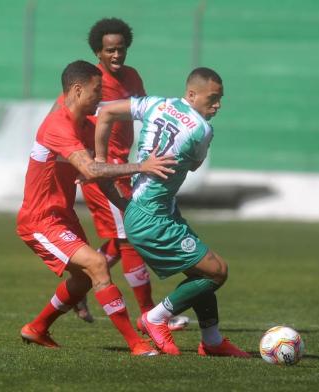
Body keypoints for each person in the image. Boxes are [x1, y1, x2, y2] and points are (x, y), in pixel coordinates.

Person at [17, 60, 176, 356]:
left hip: (63, 217)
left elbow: (97, 173)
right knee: (98, 264)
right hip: (40, 220)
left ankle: (37, 328)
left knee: (82, 279)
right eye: (96, 91)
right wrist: (142, 166)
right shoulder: (57, 125)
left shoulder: (86, 127)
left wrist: (128, 208)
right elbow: (91, 168)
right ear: (77, 91)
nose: (101, 97)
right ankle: (136, 343)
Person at [94, 67, 251, 357]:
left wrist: (100, 161)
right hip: (153, 218)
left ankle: (213, 340)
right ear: (192, 94)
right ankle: (155, 317)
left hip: (147, 210)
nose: (217, 105)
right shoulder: (202, 130)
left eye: (220, 99)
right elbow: (193, 165)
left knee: (202, 271)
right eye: (213, 98)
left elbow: (105, 113)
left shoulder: (157, 103)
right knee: (217, 272)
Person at [69, 17, 189, 331]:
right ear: (98, 51)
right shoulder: (93, 83)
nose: (116, 56)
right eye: (110, 50)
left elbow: (146, 113)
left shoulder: (132, 76)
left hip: (125, 168)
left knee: (119, 239)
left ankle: (78, 288)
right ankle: (150, 315)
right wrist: (88, 163)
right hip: (103, 172)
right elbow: (73, 120)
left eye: (121, 49)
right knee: (129, 239)